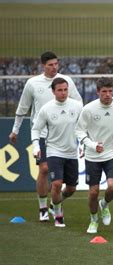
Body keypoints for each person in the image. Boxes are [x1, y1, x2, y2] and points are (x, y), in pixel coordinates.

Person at [9, 51, 82, 222]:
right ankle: (42, 207)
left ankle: (54, 203)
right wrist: (15, 130)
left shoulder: (66, 81)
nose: (54, 67)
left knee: (69, 186)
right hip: (42, 133)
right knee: (44, 169)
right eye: (50, 65)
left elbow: (79, 104)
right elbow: (22, 108)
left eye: (56, 64)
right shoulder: (33, 83)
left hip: (64, 134)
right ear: (43, 65)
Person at [76, 78, 113, 234]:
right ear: (97, 92)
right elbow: (79, 131)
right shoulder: (89, 109)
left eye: (110, 91)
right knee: (93, 192)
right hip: (93, 156)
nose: (108, 95)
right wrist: (92, 145)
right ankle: (93, 220)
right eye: (104, 92)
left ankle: (105, 205)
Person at [31, 78, 83, 227]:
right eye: (59, 90)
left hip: (71, 153)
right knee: (57, 184)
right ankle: (59, 215)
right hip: (54, 151)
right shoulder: (46, 109)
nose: (63, 93)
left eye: (65, 89)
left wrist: (84, 144)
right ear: (53, 91)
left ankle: (54, 205)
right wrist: (36, 146)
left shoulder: (77, 106)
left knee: (71, 188)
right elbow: (36, 129)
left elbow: (84, 126)